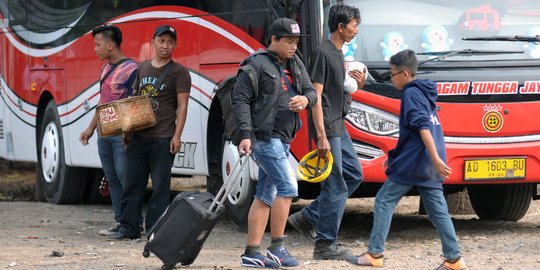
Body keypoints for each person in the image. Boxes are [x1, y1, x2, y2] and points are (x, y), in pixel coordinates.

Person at [344, 49, 468, 270]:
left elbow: (422, 128)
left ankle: (375, 254)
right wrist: (396, 157)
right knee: (437, 212)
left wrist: (436, 159)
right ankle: (454, 260)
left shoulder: (410, 94)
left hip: (417, 163)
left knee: (384, 200)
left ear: (404, 74)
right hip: (425, 163)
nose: (391, 80)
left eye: (391, 75)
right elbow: (413, 134)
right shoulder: (424, 92)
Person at [233, 18, 317, 268]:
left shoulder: (295, 63)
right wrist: (246, 134)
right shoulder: (255, 64)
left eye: (296, 42)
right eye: (289, 41)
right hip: (264, 138)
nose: (294, 46)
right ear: (274, 40)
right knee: (288, 187)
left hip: (284, 138)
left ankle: (251, 253)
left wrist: (305, 100)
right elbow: (240, 101)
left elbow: (311, 91)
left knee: (265, 195)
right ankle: (277, 247)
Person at [287, 4, 365, 260]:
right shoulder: (323, 53)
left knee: (354, 174)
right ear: (340, 27)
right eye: (353, 25)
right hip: (328, 129)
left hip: (338, 126)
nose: (356, 29)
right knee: (336, 185)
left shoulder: (338, 54)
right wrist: (320, 135)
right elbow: (316, 98)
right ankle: (324, 244)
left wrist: (356, 87)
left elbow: (337, 94)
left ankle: (309, 216)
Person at [108, 25, 191, 240]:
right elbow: (133, 102)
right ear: (153, 43)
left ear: (175, 45)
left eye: (169, 42)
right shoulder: (142, 67)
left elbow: (182, 106)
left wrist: (177, 136)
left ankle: (155, 229)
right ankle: (128, 228)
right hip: (139, 136)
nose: (165, 46)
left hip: (163, 138)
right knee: (132, 183)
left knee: (160, 187)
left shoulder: (179, 72)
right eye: (161, 41)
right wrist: (127, 130)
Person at [79, 24, 138, 236]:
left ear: (110, 45)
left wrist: (127, 132)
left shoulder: (132, 69)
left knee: (126, 179)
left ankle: (133, 225)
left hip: (121, 136)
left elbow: (135, 104)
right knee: (112, 179)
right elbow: (102, 103)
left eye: (98, 44)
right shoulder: (104, 69)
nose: (95, 49)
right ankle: (120, 222)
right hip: (103, 134)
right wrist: (89, 129)